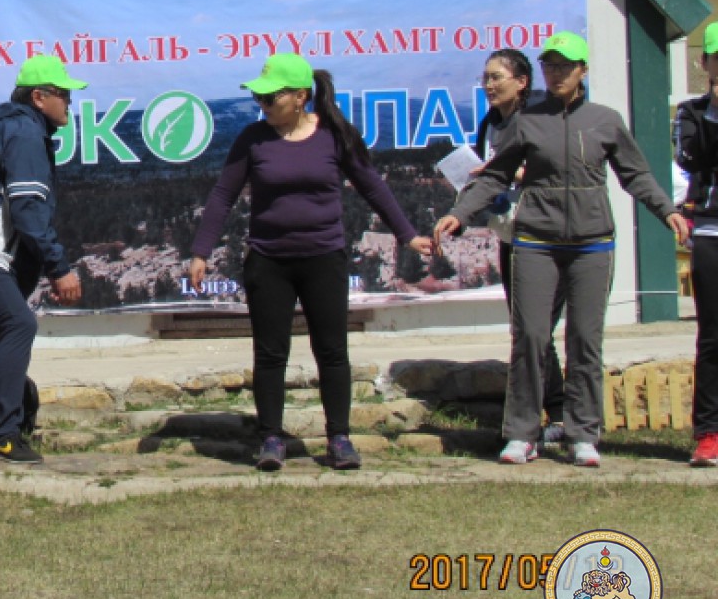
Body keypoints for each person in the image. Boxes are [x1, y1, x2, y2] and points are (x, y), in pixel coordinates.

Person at [436, 32, 688, 467]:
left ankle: (582, 433)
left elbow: (637, 175)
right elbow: (495, 175)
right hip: (535, 241)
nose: (556, 73)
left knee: (585, 340)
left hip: (593, 245)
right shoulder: (528, 119)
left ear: (582, 71)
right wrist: (461, 212)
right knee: (531, 337)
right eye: (550, 65)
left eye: (565, 66)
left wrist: (666, 211)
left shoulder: (605, 120)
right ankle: (521, 433)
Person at [187, 53, 433, 472]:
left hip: (324, 258)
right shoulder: (252, 139)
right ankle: (270, 437)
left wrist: (408, 235)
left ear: (301, 96)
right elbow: (223, 195)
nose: (261, 103)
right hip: (268, 261)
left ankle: (339, 438)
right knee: (270, 354)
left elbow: (373, 188)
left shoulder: (335, 136)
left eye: (270, 96)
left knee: (333, 352)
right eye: (258, 97)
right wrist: (201, 252)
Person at [0, 54, 85, 465]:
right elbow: (27, 212)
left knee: (2, 333)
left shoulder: (18, 129)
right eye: (63, 95)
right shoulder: (24, 133)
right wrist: (59, 269)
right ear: (39, 97)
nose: (70, 104)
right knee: (18, 325)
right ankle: (5, 435)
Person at [471, 49, 567, 444]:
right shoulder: (491, 123)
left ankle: (562, 414)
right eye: (486, 78)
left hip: (549, 235)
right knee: (528, 329)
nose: (489, 85)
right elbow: (488, 170)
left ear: (522, 81)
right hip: (512, 234)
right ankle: (551, 413)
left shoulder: (546, 114)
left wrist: (520, 170)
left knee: (538, 328)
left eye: (497, 77)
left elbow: (565, 161)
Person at [672, 23, 718, 467]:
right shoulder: (692, 112)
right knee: (713, 337)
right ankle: (709, 433)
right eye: (717, 57)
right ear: (704, 63)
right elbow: (692, 158)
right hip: (711, 230)